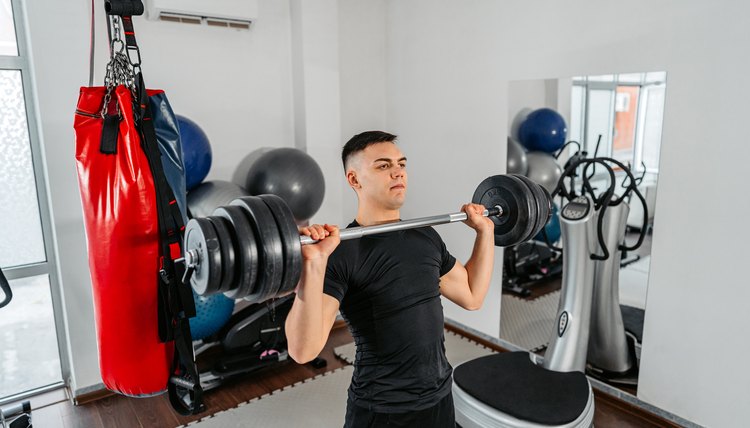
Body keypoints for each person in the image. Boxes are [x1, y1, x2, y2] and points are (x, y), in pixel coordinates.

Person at [285, 131, 495, 428]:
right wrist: (315, 264)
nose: (398, 171)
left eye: (401, 164)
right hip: (382, 410)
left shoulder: (425, 236)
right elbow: (303, 350)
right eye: (383, 166)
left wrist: (486, 233)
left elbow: (472, 296)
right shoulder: (342, 252)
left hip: (439, 397)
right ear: (355, 180)